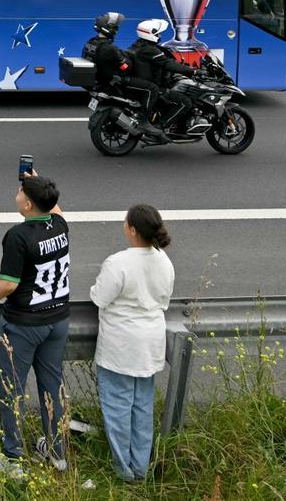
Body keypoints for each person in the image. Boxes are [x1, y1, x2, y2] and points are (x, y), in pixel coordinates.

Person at [0, 171, 70, 478]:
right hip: (58, 320)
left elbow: (8, 285)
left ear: (27, 205)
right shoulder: (61, 226)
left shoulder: (18, 236)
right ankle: (56, 450)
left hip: (25, 324)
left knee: (11, 390)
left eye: (20, 193)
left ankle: (12, 457)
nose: (17, 194)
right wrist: (42, 185)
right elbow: (56, 209)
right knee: (52, 386)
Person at [89, 204, 175, 483]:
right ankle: (140, 469)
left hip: (121, 346)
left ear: (133, 230)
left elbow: (99, 297)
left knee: (117, 408)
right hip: (150, 344)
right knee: (142, 408)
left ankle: (123, 472)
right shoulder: (164, 261)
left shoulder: (118, 263)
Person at [128, 19, 196, 133]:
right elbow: (167, 64)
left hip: (141, 83)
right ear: (150, 34)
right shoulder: (150, 50)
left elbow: (163, 61)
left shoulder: (137, 45)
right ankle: (161, 126)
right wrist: (191, 71)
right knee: (185, 102)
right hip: (154, 86)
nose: (159, 36)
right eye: (158, 33)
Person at [81, 11, 130, 87]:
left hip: (96, 79)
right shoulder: (109, 48)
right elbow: (124, 67)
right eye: (115, 27)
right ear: (107, 28)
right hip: (108, 83)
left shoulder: (90, 41)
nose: (116, 30)